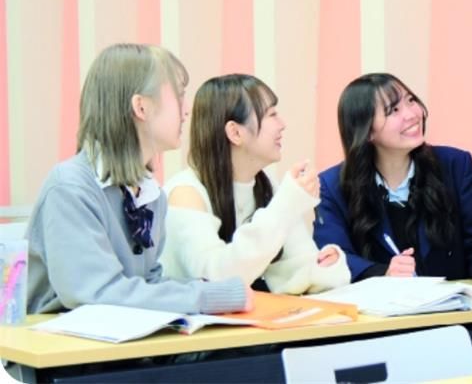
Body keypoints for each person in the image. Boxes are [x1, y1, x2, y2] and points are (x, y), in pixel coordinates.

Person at [26, 44, 250, 314]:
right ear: (141, 107)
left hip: (117, 337)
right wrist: (210, 297)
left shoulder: (149, 194)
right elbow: (95, 294)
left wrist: (213, 293)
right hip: (56, 338)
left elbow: (146, 285)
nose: (186, 110)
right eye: (179, 95)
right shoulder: (70, 188)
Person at [313, 73, 472, 290]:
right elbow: (333, 259)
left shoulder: (455, 165)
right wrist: (382, 272)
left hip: (454, 307)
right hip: (380, 310)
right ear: (366, 132)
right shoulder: (331, 186)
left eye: (411, 100)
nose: (412, 114)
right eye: (393, 110)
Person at [161, 74, 349, 294]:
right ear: (235, 132)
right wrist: (287, 205)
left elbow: (298, 266)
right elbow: (216, 278)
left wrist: (324, 265)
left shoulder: (267, 186)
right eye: (271, 115)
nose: (282, 125)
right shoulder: (185, 194)